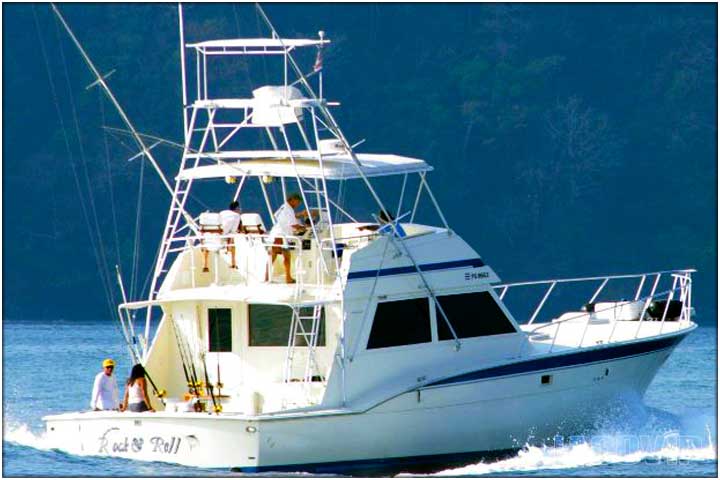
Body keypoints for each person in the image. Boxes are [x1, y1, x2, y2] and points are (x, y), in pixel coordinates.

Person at [265, 193, 308, 283]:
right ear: (292, 200)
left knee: (273, 255)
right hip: (281, 235)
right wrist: (304, 228)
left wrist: (299, 215)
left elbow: (281, 217)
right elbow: (293, 224)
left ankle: (267, 276)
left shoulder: (284, 207)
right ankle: (288, 278)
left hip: (276, 233)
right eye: (297, 202)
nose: (297, 205)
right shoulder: (289, 210)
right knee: (285, 256)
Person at [219, 200, 242, 269]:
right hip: (223, 236)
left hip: (214, 234)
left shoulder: (222, 212)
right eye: (239, 208)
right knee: (233, 241)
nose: (240, 210)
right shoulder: (237, 216)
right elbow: (233, 231)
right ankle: (233, 262)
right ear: (237, 209)